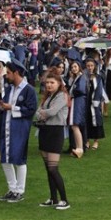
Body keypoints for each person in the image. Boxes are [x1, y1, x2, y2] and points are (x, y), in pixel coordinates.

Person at [0, 58, 37, 203]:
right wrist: (1, 105)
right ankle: (12, 189)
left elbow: (31, 110)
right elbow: (6, 106)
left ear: (16, 72)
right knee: (5, 159)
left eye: (9, 73)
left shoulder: (29, 90)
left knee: (19, 159)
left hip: (20, 129)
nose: (6, 75)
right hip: (6, 126)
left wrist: (11, 107)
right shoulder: (10, 88)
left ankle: (20, 190)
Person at [35, 69, 70, 210]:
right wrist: (42, 113)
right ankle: (53, 199)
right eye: (47, 83)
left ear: (59, 83)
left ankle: (65, 200)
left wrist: (42, 113)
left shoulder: (62, 95)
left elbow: (52, 112)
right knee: (48, 169)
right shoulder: (47, 97)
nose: (49, 85)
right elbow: (38, 113)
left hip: (55, 132)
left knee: (53, 168)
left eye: (52, 82)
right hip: (45, 132)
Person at [66, 60, 86, 158]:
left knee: (75, 125)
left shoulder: (81, 77)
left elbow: (80, 90)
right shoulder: (76, 78)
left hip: (77, 101)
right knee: (74, 125)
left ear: (79, 67)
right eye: (72, 67)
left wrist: (72, 93)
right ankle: (79, 148)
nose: (73, 68)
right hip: (77, 101)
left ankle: (80, 148)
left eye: (75, 66)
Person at [84, 58, 105, 150]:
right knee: (86, 120)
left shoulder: (98, 77)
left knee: (96, 120)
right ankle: (87, 140)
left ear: (94, 66)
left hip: (94, 102)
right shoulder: (83, 76)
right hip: (85, 101)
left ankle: (96, 141)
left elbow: (100, 90)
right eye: (88, 66)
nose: (90, 67)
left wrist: (96, 101)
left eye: (91, 65)